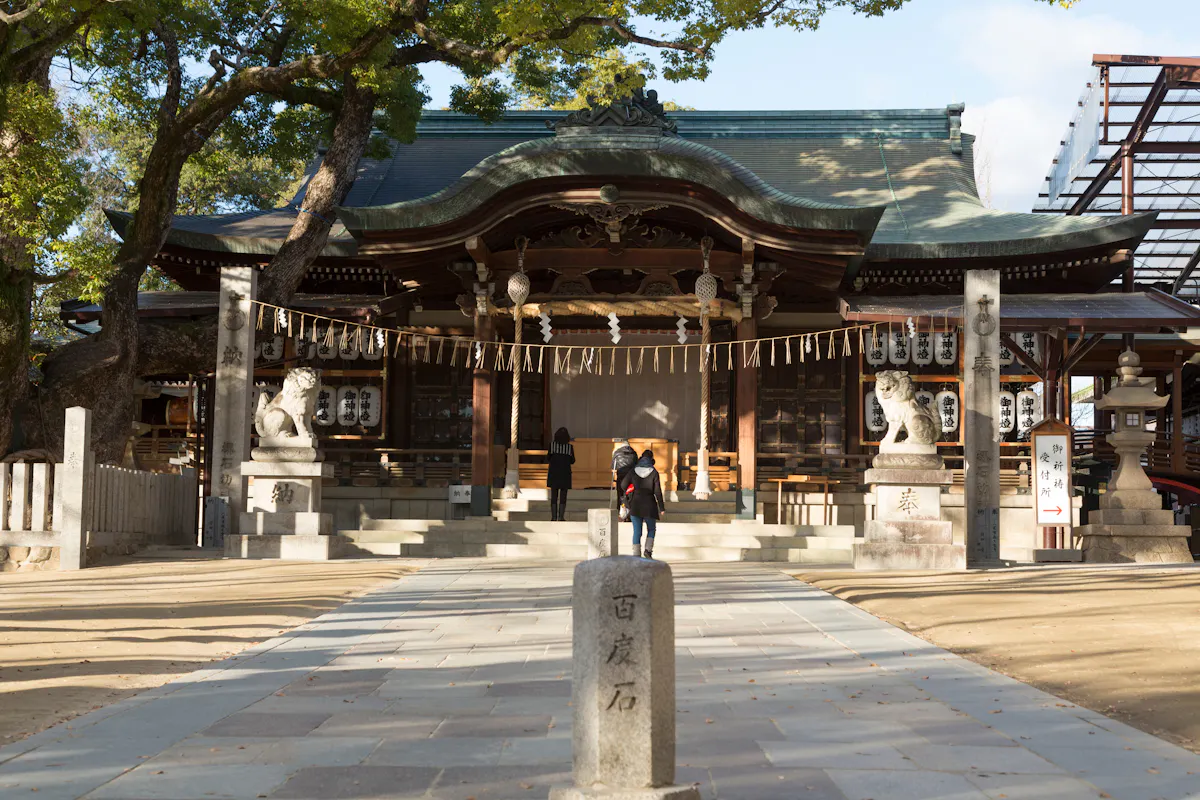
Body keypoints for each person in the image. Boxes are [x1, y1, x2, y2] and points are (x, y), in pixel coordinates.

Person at [620, 449, 666, 558]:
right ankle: (648, 551)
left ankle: (636, 554)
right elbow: (657, 492)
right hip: (649, 504)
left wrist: (631, 489)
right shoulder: (654, 472)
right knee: (651, 529)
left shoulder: (633, 471)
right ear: (651, 459)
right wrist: (661, 507)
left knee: (637, 531)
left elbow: (623, 485)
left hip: (635, 504)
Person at [546, 427, 575, 521]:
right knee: (563, 495)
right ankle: (561, 517)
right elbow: (573, 460)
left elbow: (548, 458)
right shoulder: (569, 447)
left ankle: (553, 517)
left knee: (554, 495)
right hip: (565, 473)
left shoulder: (552, 445)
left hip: (554, 473)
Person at [611, 442, 638, 517]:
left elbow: (613, 466)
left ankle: (620, 512)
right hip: (631, 478)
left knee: (620, 495)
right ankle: (629, 514)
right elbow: (637, 465)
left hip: (621, 477)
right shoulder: (634, 453)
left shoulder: (617, 453)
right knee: (630, 495)